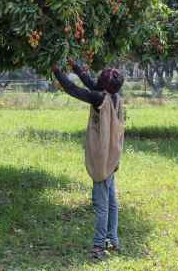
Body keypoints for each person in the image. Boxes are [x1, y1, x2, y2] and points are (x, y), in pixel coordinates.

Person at [53, 60, 126, 261]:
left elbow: (73, 89)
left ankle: (98, 246)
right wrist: (77, 68)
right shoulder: (115, 97)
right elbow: (93, 85)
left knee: (101, 205)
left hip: (102, 158)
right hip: (113, 157)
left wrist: (58, 73)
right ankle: (113, 240)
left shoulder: (98, 98)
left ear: (104, 85)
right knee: (111, 202)